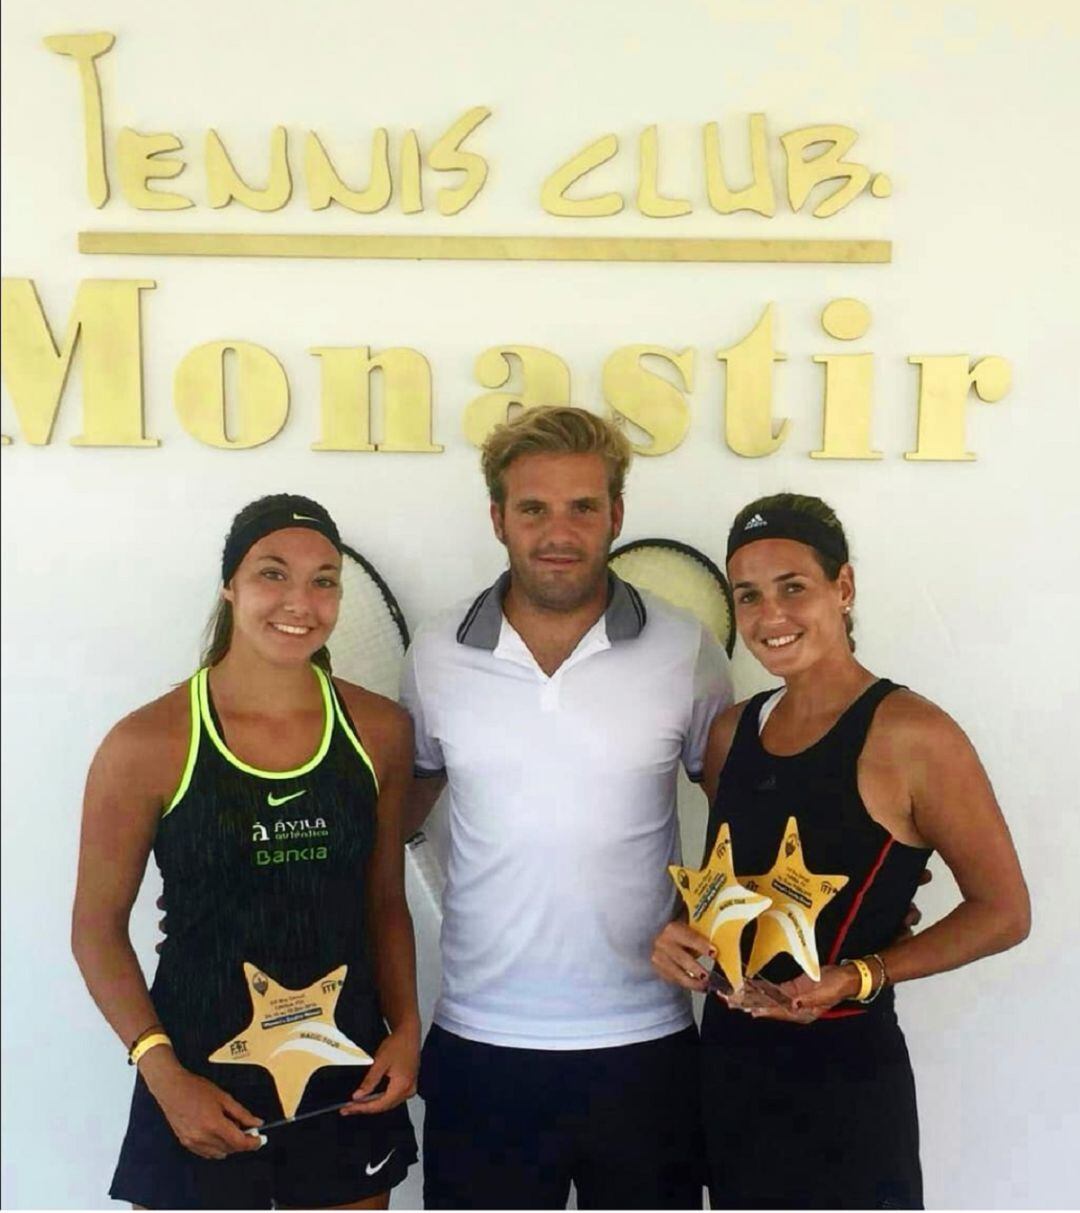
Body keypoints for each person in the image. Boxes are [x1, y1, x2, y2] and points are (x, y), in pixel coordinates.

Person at [651, 492, 1030, 1210]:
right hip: (729, 1071)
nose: (771, 616)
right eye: (750, 595)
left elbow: (1005, 911)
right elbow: (723, 891)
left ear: (843, 587)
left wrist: (859, 974)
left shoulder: (913, 735)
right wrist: (681, 934)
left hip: (846, 1083)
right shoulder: (732, 731)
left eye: (793, 586)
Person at [400, 407, 733, 1209]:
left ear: (616, 514)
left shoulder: (685, 647)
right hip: (481, 1044)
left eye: (584, 506)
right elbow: (392, 819)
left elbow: (742, 820)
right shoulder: (437, 653)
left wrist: (722, 929)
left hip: (647, 1045)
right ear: (498, 518)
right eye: (533, 508)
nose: (560, 530)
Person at [72, 494, 420, 1210]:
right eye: (273, 573)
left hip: (344, 1082)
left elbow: (384, 899)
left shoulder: (379, 730)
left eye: (325, 579)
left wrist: (407, 1028)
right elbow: (95, 929)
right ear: (230, 584)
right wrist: (163, 1074)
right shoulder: (148, 743)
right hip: (199, 1089)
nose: (302, 600)